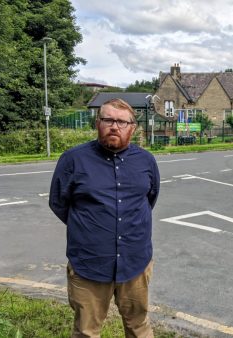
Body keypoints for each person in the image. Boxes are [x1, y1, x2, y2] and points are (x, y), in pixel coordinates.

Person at [49, 98, 160, 338]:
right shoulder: (73, 160)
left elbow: (149, 199)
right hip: (89, 264)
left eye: (121, 121)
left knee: (138, 326)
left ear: (133, 127)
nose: (114, 126)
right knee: (86, 331)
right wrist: (91, 227)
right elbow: (58, 203)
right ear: (97, 123)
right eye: (107, 119)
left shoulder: (146, 161)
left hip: (135, 263)